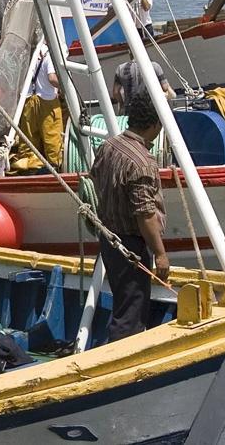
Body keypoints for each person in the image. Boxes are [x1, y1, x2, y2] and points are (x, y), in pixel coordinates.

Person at [89, 92, 169, 342]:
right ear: (155, 124)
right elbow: (145, 214)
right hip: (130, 247)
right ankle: (120, 357)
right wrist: (160, 254)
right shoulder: (143, 163)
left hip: (109, 240)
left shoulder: (108, 147)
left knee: (122, 302)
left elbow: (94, 179)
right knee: (130, 314)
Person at [14, 45, 63, 171]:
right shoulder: (49, 54)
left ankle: (27, 168)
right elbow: (52, 78)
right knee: (52, 137)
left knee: (28, 138)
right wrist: (66, 86)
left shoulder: (26, 54)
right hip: (47, 100)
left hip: (28, 100)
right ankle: (56, 167)